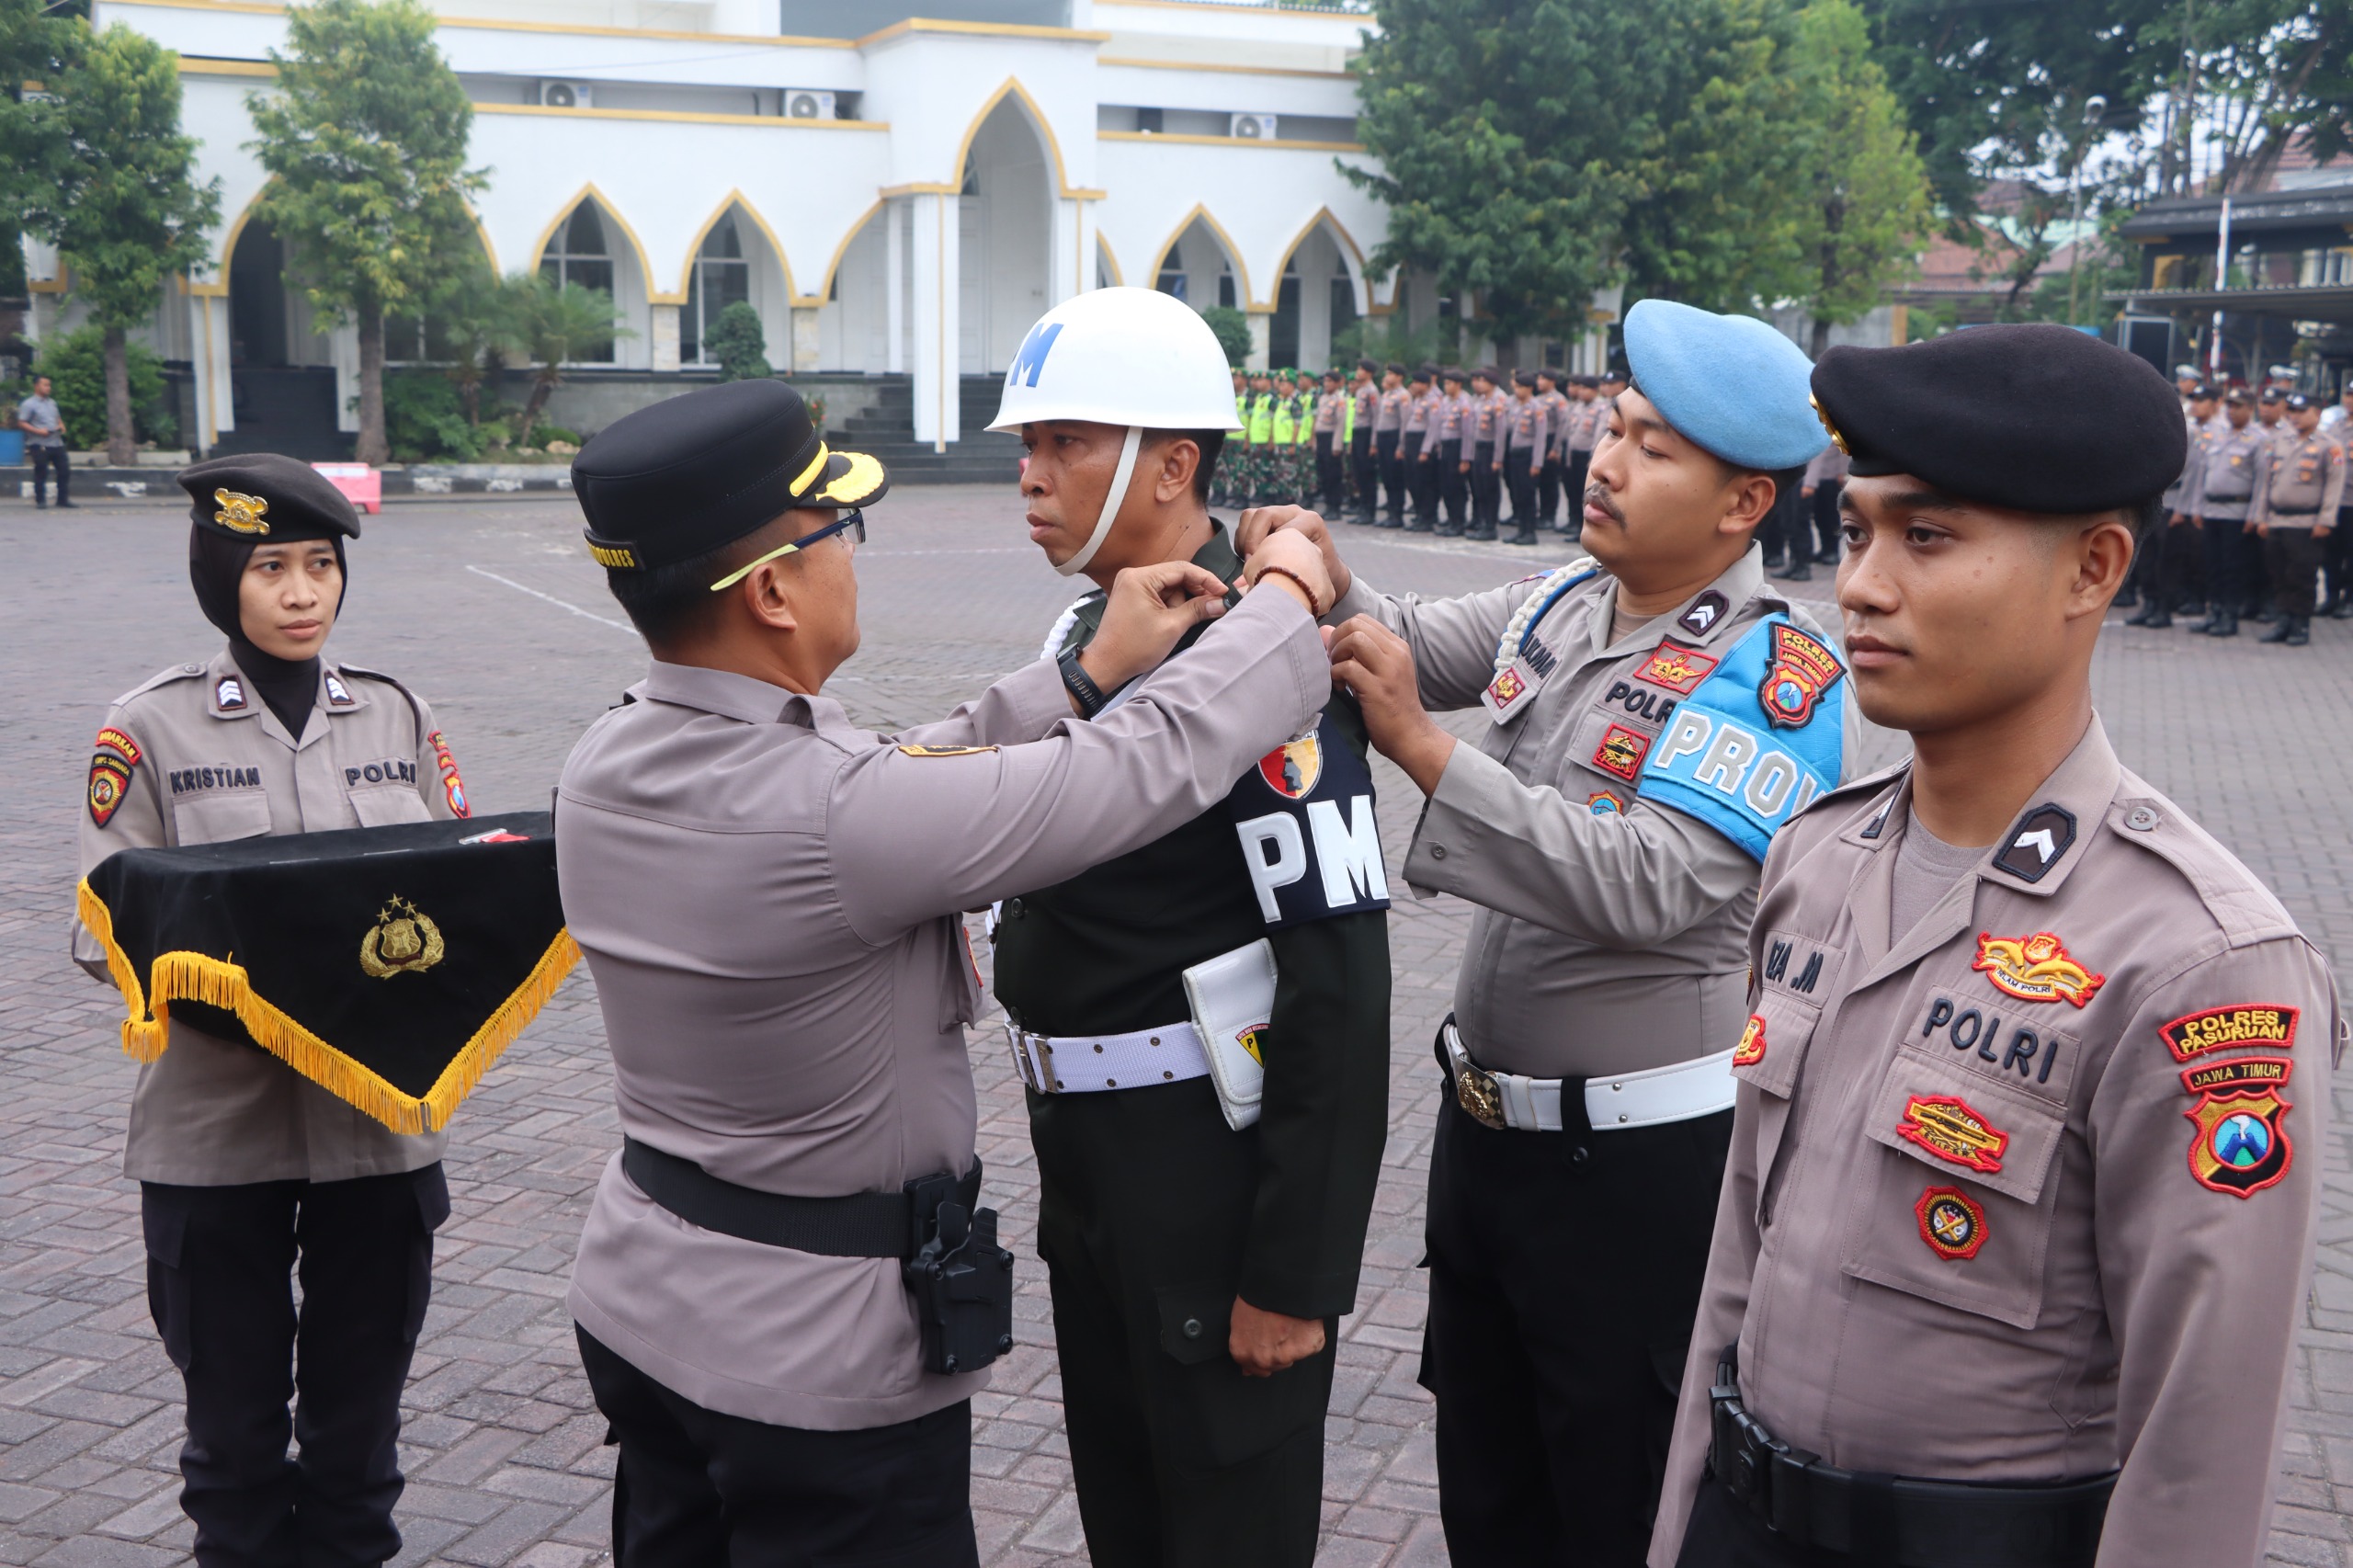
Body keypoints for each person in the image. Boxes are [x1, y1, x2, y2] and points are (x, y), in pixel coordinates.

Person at [554, 368, 1339, 1565]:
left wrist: (1079, 674)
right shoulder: (830, 814)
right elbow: (1137, 767)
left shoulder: (611, 757)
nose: (851, 553)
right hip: (814, 1375)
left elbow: (911, 775)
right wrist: (1284, 586)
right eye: (836, 531)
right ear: (771, 589)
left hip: (646, 1309)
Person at [1650, 322, 2337, 1568]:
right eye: (1856, 531)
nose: (1860, 582)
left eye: (1927, 535)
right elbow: (1733, 1275)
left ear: (2094, 566)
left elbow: (2199, 1445)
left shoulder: (2198, 960)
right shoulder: (1815, 861)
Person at [1246, 297, 1844, 1568]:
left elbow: (1651, 882)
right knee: (1493, 1489)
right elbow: (1396, 634)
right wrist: (1314, 564)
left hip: (1635, 1178)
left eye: (1653, 447)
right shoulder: (1570, 601)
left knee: (1616, 1504)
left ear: (1744, 504)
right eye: (1613, 426)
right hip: (1491, 1144)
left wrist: (1419, 745)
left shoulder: (1776, 675)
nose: (1607, 460)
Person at [987, 287, 1393, 1568]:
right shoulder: (1094, 627)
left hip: (1209, 1182)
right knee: (1129, 1517)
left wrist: (1296, 1270)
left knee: (1223, 1528)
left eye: (1067, 443)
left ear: (1174, 463)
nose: (1031, 476)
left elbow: (1339, 975)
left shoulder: (1258, 653)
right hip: (1094, 1162)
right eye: (1027, 446)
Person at [74, 453, 470, 1565]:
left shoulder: (396, 714)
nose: (301, 593)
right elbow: (103, 923)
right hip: (216, 1134)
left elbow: (454, 881)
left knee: (358, 1447)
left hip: (375, 1129)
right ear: (221, 580)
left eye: (319, 566)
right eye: (269, 569)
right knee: (234, 1450)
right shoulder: (148, 728)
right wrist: (228, 989)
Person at [2167, 387, 2266, 636]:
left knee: (2231, 568)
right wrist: (2198, 507)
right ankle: (2214, 612)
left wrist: (2255, 514)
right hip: (2211, 510)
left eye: (2238, 406)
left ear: (2250, 409)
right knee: (2212, 565)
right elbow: (2203, 475)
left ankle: (2229, 616)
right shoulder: (2218, 436)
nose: (2232, 411)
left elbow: (2262, 482)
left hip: (2237, 512)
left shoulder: (2259, 438)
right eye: (2230, 406)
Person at [2248, 390, 2342, 645]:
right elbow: (2267, 482)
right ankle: (2283, 621)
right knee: (2278, 573)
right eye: (2293, 411)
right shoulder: (2280, 440)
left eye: (2302, 412)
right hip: (2277, 519)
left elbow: (2334, 486)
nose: (2296, 417)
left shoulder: (2329, 445)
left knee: (2302, 576)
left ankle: (2301, 624)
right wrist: (2262, 516)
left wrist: (2326, 520)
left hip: (2306, 523)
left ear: (2318, 414)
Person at [1502, 369, 1551, 545]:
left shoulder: (1536, 408)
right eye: (1517, 387)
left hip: (1528, 456)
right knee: (1518, 494)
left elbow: (1540, 437)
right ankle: (1521, 530)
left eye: (1522, 387)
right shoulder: (1516, 406)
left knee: (1528, 494)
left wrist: (1537, 462)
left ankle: (1529, 532)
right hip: (1515, 455)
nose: (1518, 390)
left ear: (1530, 388)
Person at [18, 372, 73, 508]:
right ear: (37, 386)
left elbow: (57, 417)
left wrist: (61, 425)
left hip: (56, 442)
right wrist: (38, 431)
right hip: (39, 443)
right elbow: (22, 423)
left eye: (49, 385)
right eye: (45, 385)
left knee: (64, 470)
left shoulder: (52, 402)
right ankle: (40, 500)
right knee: (41, 471)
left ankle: (62, 500)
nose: (48, 388)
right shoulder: (29, 404)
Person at [1465, 367, 1506, 541]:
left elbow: (1500, 433)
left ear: (1491, 383)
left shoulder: (1498, 402)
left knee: (1490, 489)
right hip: (1478, 448)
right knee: (1479, 488)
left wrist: (1497, 458)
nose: (1479, 384)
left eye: (1482, 381)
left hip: (1490, 449)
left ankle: (1490, 526)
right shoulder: (1480, 401)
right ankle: (1482, 522)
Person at [1435, 367, 1472, 537]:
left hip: (1458, 448)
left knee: (1457, 487)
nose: (1446, 386)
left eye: (1449, 383)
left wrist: (1465, 458)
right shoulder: (1445, 401)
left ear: (1458, 384)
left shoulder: (1465, 403)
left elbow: (1467, 433)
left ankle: (1459, 522)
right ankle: (1451, 520)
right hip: (1446, 447)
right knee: (1446, 486)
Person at [1535, 369, 1572, 530]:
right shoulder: (1537, 399)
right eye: (1539, 378)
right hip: (1539, 442)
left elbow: (1562, 424)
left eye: (1543, 379)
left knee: (1549, 482)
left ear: (1552, 381)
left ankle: (1549, 516)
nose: (1539, 382)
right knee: (1539, 481)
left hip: (1551, 441)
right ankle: (1541, 514)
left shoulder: (1558, 399)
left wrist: (1556, 448)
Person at [1403, 364, 1438, 532]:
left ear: (1425, 384)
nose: (1414, 385)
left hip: (1422, 443)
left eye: (1417, 382)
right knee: (1413, 481)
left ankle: (1427, 517)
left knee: (1424, 483)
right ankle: (1419, 514)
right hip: (1411, 442)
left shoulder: (1432, 401)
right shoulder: (1416, 400)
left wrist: (1425, 450)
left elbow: (1433, 427)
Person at [1374, 361, 1409, 528]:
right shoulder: (1386, 394)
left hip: (1394, 438)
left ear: (1399, 377)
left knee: (1396, 478)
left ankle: (1397, 514)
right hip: (1383, 438)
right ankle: (1390, 512)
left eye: (1390, 374)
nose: (1387, 376)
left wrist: (1401, 446)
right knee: (1386, 477)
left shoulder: (1403, 395)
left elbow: (1404, 423)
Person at [1349, 358, 1380, 525]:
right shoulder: (1361, 390)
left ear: (1368, 372)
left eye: (1360, 370)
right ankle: (1363, 508)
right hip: (1358, 433)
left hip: (1367, 434)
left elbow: (1376, 418)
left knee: (1367, 474)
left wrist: (1374, 443)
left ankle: (1369, 511)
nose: (1357, 372)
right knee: (1359, 473)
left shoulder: (1371, 391)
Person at [1314, 369, 1347, 517]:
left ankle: (1335, 507)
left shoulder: (1339, 400)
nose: (1326, 384)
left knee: (1334, 474)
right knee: (1324, 473)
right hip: (1321, 439)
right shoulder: (1323, 398)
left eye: (1329, 381)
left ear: (1337, 383)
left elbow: (1340, 424)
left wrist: (1336, 445)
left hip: (1331, 439)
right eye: (1325, 381)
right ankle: (1328, 505)